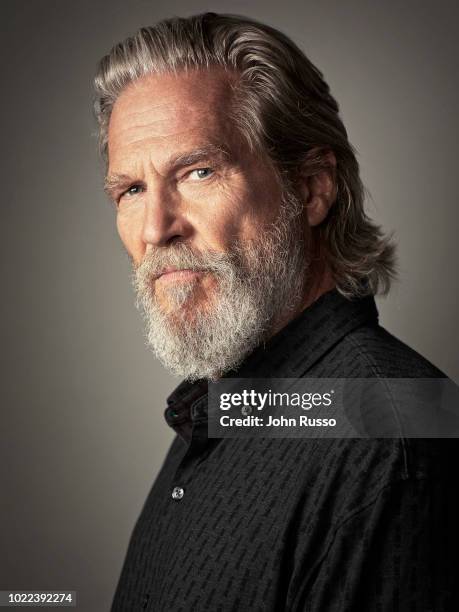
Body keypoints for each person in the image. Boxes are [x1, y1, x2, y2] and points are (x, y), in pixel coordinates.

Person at [93, 12, 458, 611]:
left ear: (312, 188)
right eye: (130, 190)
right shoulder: (228, 408)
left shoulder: (395, 439)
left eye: (199, 172)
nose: (157, 228)